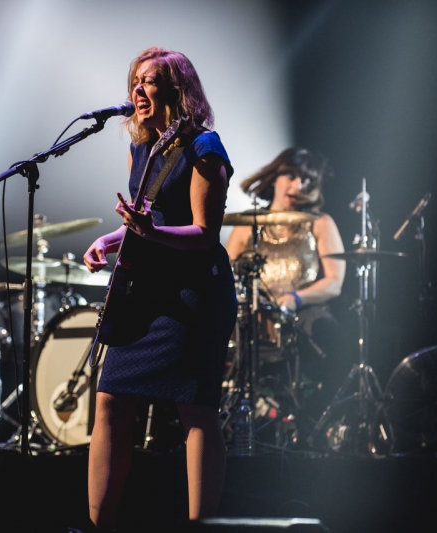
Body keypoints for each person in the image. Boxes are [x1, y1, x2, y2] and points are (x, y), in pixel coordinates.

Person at [83, 47, 237, 530]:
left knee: (195, 407)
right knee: (109, 400)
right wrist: (108, 240)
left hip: (193, 291)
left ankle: (199, 525)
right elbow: (145, 221)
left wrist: (146, 233)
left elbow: (203, 233)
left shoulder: (203, 146)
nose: (138, 90)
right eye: (135, 81)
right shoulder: (143, 147)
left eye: (150, 81)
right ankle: (98, 524)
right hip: (148, 290)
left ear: (176, 90)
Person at [224, 147, 347, 440]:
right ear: (275, 176)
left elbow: (335, 282)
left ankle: (316, 424)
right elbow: (223, 275)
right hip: (252, 314)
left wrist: (296, 298)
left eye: (306, 180)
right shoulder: (246, 225)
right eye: (291, 175)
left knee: (336, 341)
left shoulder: (319, 223)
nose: (297, 185)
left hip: (304, 313)